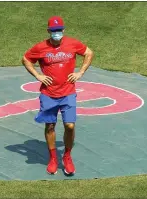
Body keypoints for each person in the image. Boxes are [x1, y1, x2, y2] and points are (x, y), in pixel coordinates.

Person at [22, 16, 94, 175]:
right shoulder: (40, 47)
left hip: (68, 93)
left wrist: (80, 72)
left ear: (63, 30)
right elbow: (26, 59)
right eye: (54, 31)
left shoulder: (73, 43)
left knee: (70, 125)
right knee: (50, 126)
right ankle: (53, 158)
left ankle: (67, 156)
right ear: (49, 31)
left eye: (59, 30)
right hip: (48, 94)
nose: (57, 33)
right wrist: (37, 75)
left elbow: (89, 53)